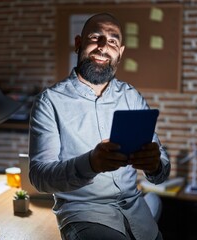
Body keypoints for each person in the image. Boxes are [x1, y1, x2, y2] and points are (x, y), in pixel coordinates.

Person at [28, 13, 170, 240]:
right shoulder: (49, 102)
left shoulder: (132, 98)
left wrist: (154, 165)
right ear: (78, 44)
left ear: (120, 53)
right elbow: (39, 177)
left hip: (137, 212)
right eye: (95, 37)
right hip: (84, 215)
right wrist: (91, 163)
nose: (103, 47)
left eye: (113, 41)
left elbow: (162, 171)